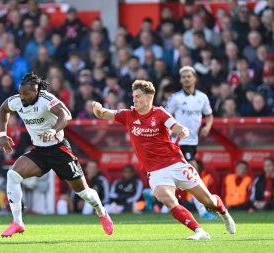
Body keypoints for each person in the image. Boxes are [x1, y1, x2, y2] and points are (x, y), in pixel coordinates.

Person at [92, 79, 235, 240]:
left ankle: (225, 214)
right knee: (167, 199)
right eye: (133, 96)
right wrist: (99, 110)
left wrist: (182, 130)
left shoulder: (159, 113)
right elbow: (106, 114)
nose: (135, 100)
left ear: (149, 97)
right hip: (155, 172)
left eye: (138, 96)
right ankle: (199, 231)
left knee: (208, 201)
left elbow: (175, 125)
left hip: (176, 164)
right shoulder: (128, 115)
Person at [0, 72, 113, 237]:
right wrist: (3, 135)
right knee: (13, 175)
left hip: (59, 150)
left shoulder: (46, 100)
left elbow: (66, 115)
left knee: (84, 193)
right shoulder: (17, 101)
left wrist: (53, 130)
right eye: (20, 93)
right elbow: (3, 109)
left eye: (26, 94)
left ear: (35, 92)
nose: (21, 97)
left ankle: (102, 213)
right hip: (39, 151)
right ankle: (18, 222)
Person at [166, 66, 216, 220]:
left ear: (195, 78)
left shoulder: (202, 97)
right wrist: (171, 130)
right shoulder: (176, 98)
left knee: (184, 174)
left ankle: (157, 194)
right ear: (181, 80)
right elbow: (166, 116)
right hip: (181, 141)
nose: (186, 79)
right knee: (192, 172)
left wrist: (207, 126)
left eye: (189, 76)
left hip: (193, 141)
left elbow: (209, 115)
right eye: (184, 77)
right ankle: (202, 210)